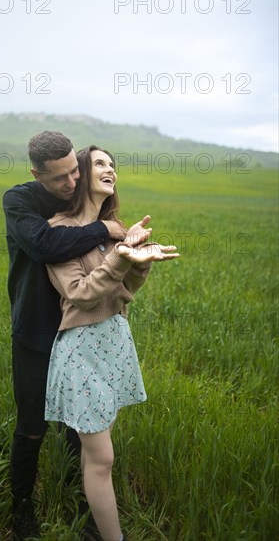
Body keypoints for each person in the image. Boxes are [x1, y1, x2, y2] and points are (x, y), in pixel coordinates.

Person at [3, 131, 154, 540]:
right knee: (33, 425)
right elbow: (46, 244)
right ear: (38, 174)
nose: (70, 183)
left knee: (82, 429)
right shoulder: (22, 202)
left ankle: (86, 502)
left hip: (91, 332)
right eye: (60, 178)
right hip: (38, 329)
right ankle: (22, 510)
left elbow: (118, 291)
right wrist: (108, 231)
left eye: (75, 172)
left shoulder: (86, 203)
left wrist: (134, 259)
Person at [44, 145, 180, 541]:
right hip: (82, 349)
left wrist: (140, 262)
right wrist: (121, 258)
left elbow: (121, 292)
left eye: (113, 164)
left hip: (115, 342)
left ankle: (93, 524)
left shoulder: (115, 229)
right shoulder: (59, 231)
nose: (110, 170)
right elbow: (80, 293)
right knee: (103, 457)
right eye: (100, 163)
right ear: (81, 173)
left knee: (95, 453)